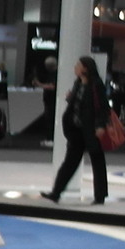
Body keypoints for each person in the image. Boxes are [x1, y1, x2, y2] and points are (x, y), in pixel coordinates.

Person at [44, 55, 110, 204]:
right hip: (76, 130)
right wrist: (70, 98)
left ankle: (100, 196)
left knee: (97, 162)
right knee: (70, 162)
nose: (75, 68)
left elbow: (103, 107)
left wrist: (100, 126)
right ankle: (56, 192)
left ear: (85, 68)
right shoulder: (78, 83)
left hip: (91, 130)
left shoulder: (96, 85)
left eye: (78, 65)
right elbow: (77, 104)